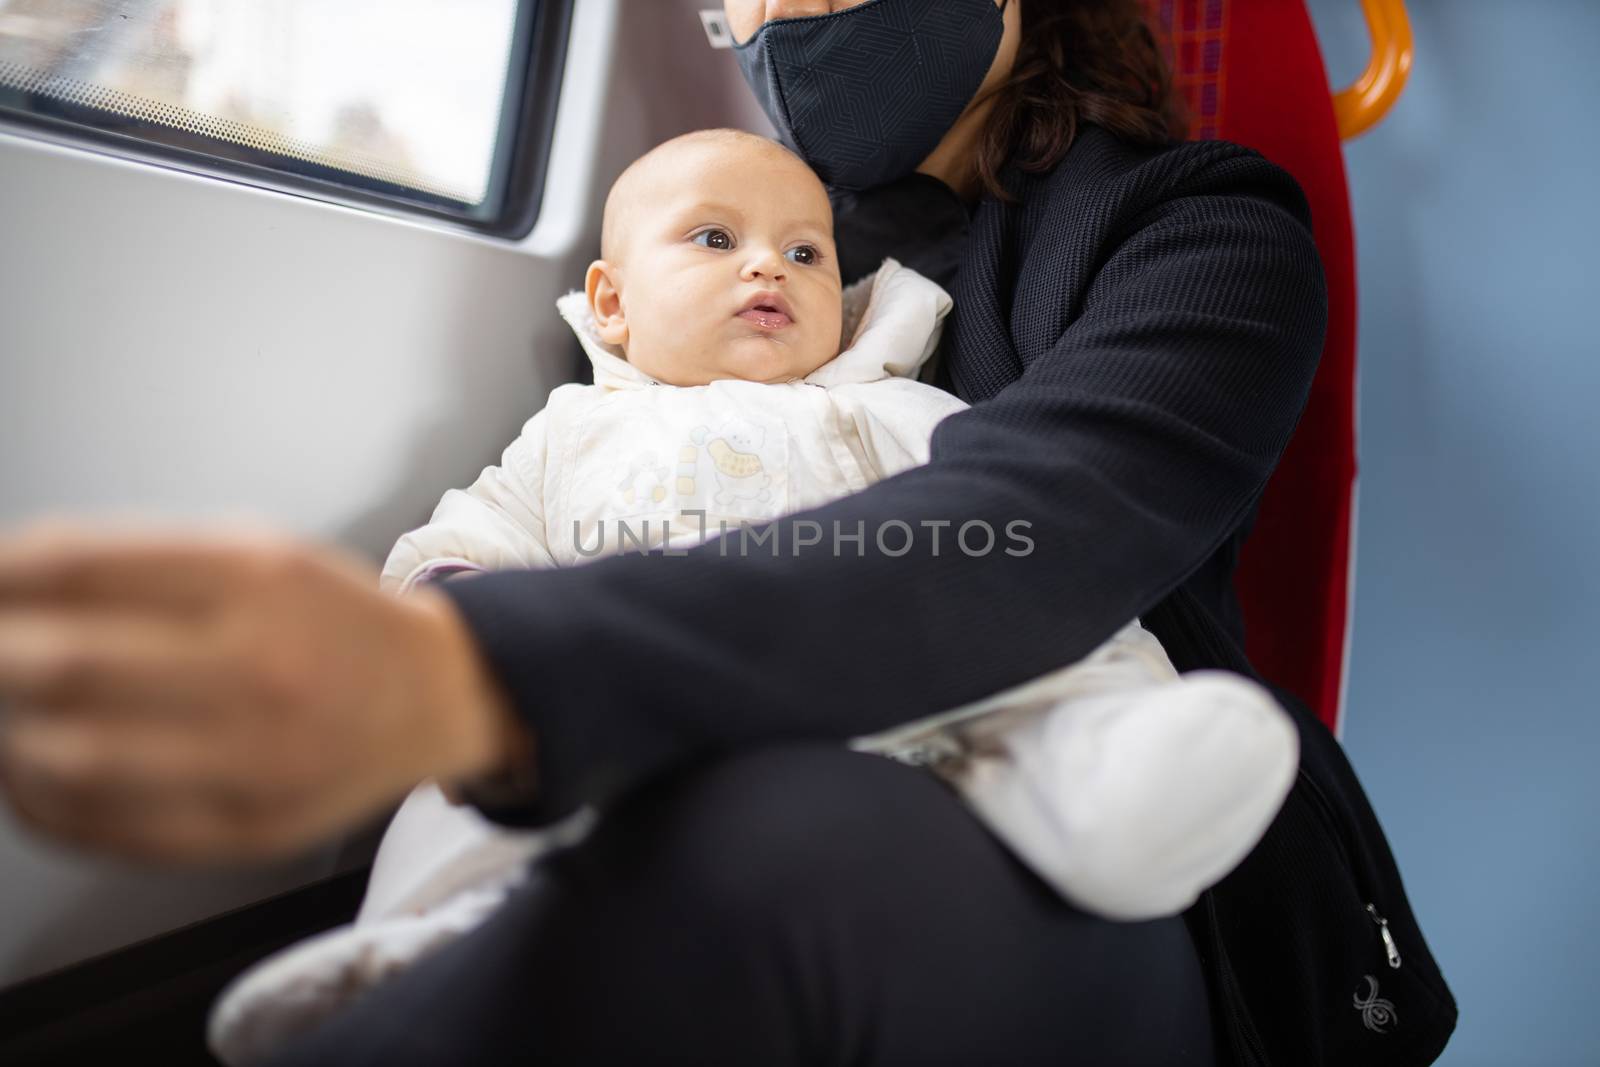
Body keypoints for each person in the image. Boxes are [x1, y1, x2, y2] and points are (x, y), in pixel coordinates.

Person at [0, 0, 1458, 1063]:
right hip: (697, 754)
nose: (761, 22)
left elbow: (1041, 523)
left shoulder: (1200, 226)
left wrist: (479, 669)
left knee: (765, 847)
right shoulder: (721, 255)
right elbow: (559, 501)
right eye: (731, 0)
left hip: (1109, 851)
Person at [204, 128, 1298, 1067]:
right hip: (606, 740)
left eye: (806, 252)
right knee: (457, 800)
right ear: (611, 301)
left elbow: (1025, 554)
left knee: (1043, 704)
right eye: (714, 239)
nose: (767, 267)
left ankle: (1117, 800)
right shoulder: (571, 434)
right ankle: (416, 949)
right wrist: (448, 609)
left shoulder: (890, 410)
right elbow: (466, 538)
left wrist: (1112, 686)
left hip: (898, 720)